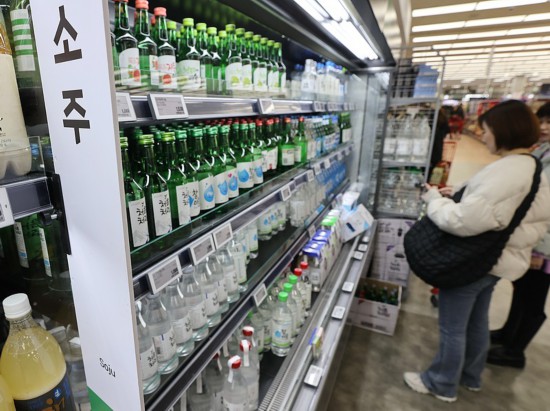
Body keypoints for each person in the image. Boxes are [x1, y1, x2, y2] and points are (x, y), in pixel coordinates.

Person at [403, 100, 550, 403]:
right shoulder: (529, 164)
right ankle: (471, 376)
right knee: (476, 321)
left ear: (504, 131)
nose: (482, 135)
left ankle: (441, 383)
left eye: (487, 130)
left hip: (476, 261)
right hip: (497, 261)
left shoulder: (510, 171)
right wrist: (461, 192)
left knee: (452, 328)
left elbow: (464, 221)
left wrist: (435, 201)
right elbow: (497, 207)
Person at [487, 102, 550, 368]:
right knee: (521, 289)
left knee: (534, 297)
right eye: (542, 121)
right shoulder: (543, 150)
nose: (544, 127)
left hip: (545, 245)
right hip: (534, 240)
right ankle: (507, 334)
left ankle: (516, 352)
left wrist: (541, 249)